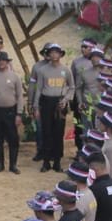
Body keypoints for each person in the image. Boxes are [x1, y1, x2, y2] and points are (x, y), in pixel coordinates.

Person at [32, 43, 74, 172]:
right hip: (46, 102)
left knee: (58, 132)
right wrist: (35, 106)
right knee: (46, 132)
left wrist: (66, 99)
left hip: (59, 103)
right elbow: (38, 89)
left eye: (57, 52)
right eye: (52, 52)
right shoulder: (42, 70)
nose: (54, 55)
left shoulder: (66, 70)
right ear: (48, 54)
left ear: (61, 54)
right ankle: (46, 162)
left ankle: (57, 161)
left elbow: (72, 87)